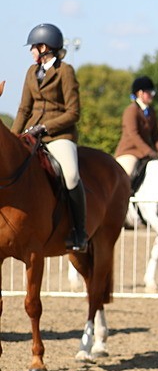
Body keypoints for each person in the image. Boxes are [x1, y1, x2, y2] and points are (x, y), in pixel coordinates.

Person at [11, 23, 88, 251]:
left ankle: (79, 232)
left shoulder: (65, 71)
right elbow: (24, 109)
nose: (30, 51)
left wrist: (45, 127)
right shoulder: (30, 72)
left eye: (33, 47)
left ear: (44, 47)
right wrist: (15, 136)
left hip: (58, 136)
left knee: (72, 176)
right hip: (31, 135)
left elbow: (73, 112)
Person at [114, 75, 158, 177]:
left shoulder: (151, 111)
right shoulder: (131, 110)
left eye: (153, 92)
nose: (152, 95)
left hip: (146, 154)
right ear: (140, 93)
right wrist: (149, 151)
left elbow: (156, 136)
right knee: (127, 174)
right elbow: (134, 135)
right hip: (130, 152)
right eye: (149, 92)